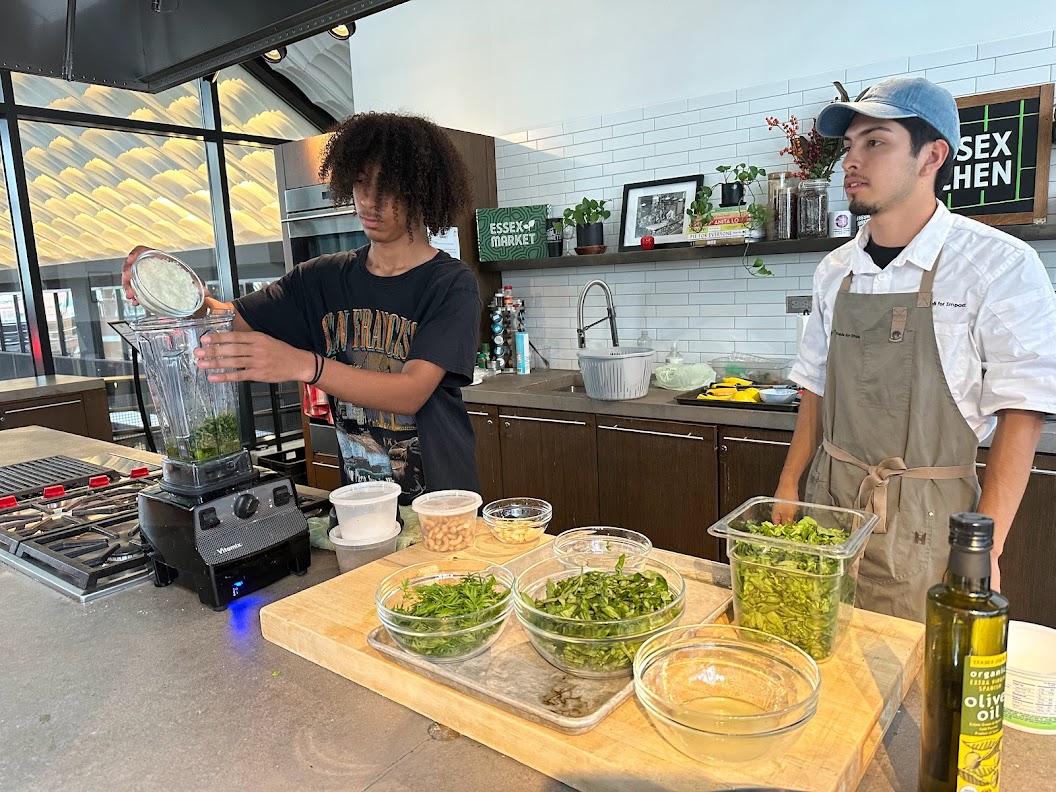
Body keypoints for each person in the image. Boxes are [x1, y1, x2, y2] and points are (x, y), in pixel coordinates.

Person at [774, 76, 1056, 622]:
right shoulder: (835, 270)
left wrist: (987, 547)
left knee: (909, 677)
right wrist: (789, 484)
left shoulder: (998, 265)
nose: (852, 162)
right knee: (818, 646)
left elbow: (1023, 409)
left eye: (875, 142)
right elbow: (814, 383)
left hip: (930, 519)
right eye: (849, 146)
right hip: (827, 501)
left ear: (933, 156)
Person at [123, 112, 483, 521]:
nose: (369, 200)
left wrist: (300, 363)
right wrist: (168, 282)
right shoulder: (321, 278)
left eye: (388, 187)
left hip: (442, 502)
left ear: (421, 191)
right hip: (362, 500)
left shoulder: (451, 284)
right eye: (362, 182)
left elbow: (411, 392)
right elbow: (227, 319)